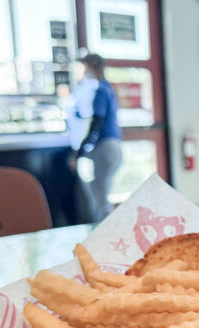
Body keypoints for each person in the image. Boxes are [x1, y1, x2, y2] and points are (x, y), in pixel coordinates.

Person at [76, 53, 123, 221]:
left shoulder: (100, 90)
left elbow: (98, 119)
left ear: (89, 68)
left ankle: (104, 238)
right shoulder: (108, 88)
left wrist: (81, 149)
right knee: (100, 196)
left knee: (100, 200)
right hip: (114, 146)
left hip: (105, 147)